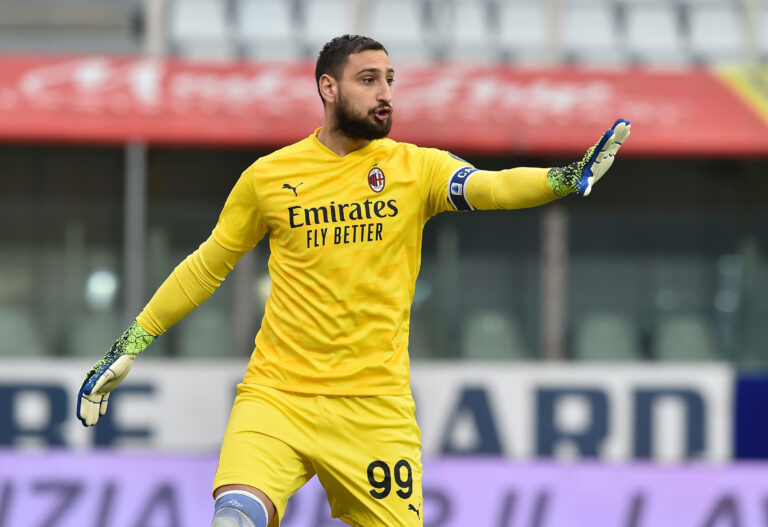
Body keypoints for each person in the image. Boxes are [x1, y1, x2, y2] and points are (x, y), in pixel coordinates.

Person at [76, 34, 631, 527]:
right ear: (328, 88)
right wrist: (132, 342)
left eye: (390, 79)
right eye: (368, 80)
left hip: (375, 410)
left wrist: (561, 180)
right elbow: (206, 267)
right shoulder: (269, 178)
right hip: (277, 398)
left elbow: (492, 187)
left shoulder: (416, 169)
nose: (385, 92)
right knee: (235, 518)